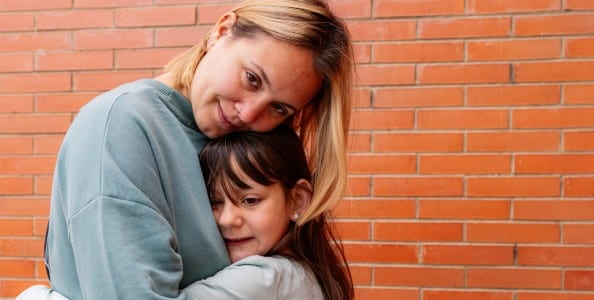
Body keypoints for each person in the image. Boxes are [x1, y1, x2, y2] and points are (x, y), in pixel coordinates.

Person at [40, 0, 354, 299]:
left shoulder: (243, 145)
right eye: (252, 79)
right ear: (221, 31)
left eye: (279, 108)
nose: (248, 114)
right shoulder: (124, 126)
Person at [18, 125, 354, 299]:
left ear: (297, 200)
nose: (227, 219)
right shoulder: (310, 274)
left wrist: (37, 295)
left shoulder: (267, 278)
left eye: (250, 200)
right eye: (215, 201)